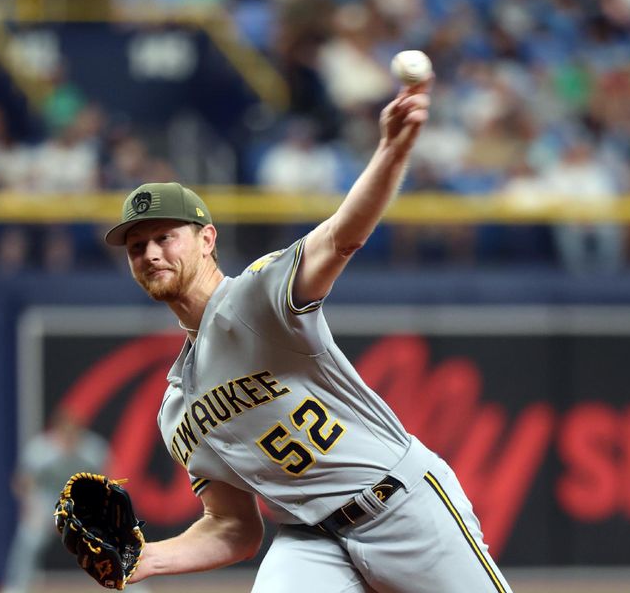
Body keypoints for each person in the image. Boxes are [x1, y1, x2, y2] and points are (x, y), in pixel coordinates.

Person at [102, 79, 513, 593]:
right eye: (136, 247)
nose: (151, 254)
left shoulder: (255, 297)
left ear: (207, 239)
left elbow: (343, 237)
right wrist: (141, 558)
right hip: (309, 539)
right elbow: (233, 528)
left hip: (401, 506)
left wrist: (390, 152)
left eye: (165, 237)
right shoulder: (176, 411)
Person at [2, 409, 110, 593]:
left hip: (80, 501)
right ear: (56, 431)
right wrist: (32, 507)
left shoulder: (93, 449)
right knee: (30, 537)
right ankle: (15, 587)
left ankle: (132, 586)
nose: (69, 437)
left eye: (73, 432)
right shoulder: (40, 450)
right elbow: (23, 483)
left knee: (111, 539)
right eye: (64, 432)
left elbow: (107, 483)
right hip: (45, 501)